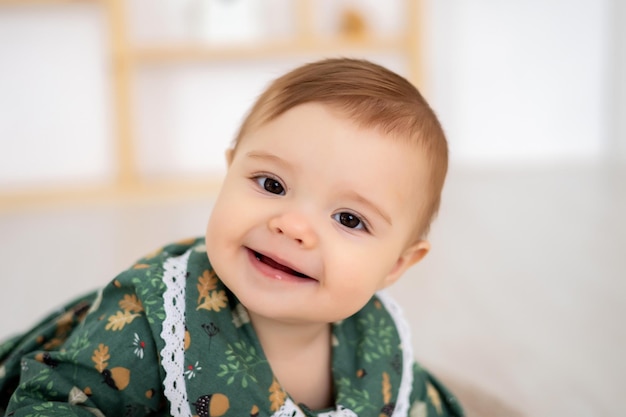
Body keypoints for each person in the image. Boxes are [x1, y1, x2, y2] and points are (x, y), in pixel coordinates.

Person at [0, 58, 463, 417]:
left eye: (348, 219)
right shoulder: (148, 320)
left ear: (397, 265)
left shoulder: (378, 345)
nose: (292, 226)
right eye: (271, 185)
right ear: (229, 172)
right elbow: (50, 401)